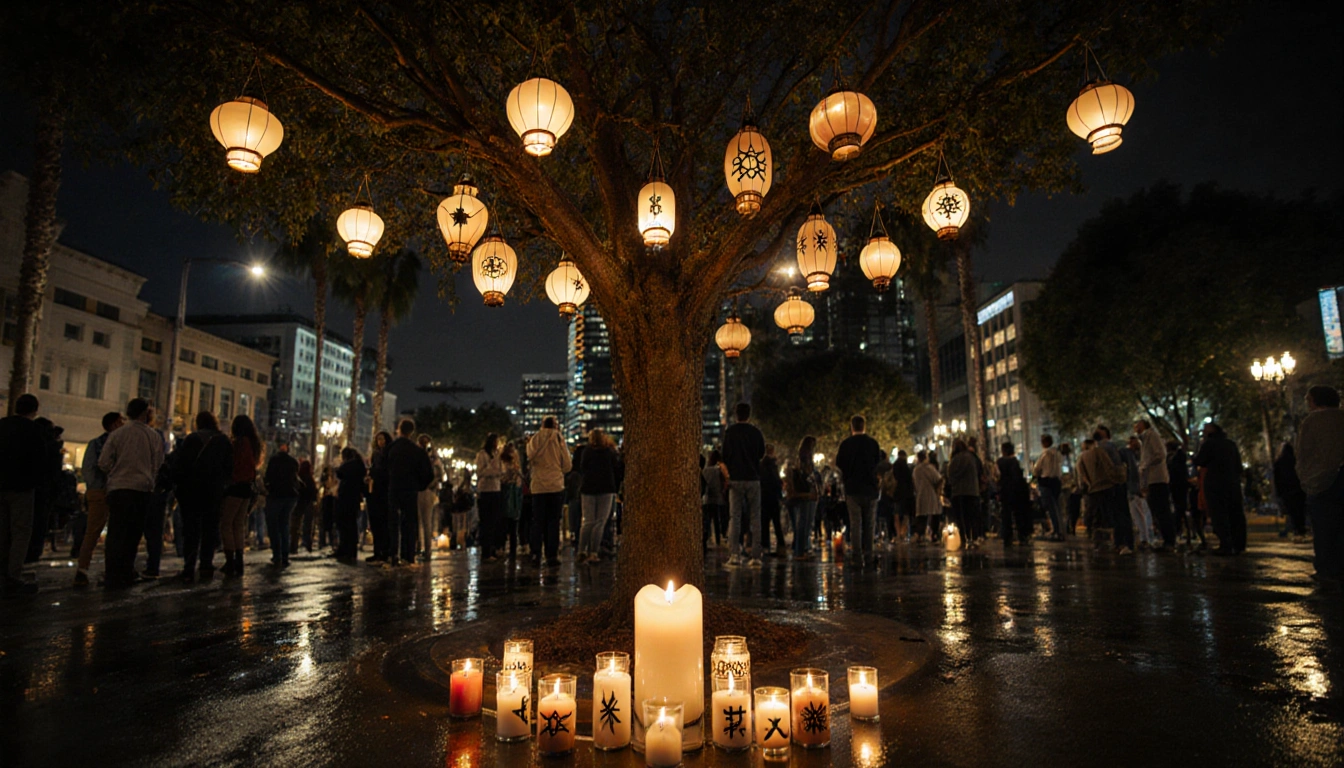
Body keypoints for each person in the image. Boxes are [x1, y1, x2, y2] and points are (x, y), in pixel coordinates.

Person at [97, 398, 164, 588]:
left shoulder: (117, 434)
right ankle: (126, 572)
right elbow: (158, 463)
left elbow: (103, 462)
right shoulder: (153, 436)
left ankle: (112, 573)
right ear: (144, 413)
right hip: (142, 489)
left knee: (116, 533)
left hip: (119, 488)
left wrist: (116, 470)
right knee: (133, 534)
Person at [167, 412, 231, 582]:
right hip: (213, 492)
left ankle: (189, 568)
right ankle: (206, 566)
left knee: (191, 530)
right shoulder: (223, 441)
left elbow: (180, 466)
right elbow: (228, 468)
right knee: (210, 529)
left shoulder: (192, 439)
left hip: (192, 491)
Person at [1296, 386, 1344, 583]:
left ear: (1316, 401)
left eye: (1309, 400)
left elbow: (1304, 452)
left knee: (1323, 527)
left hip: (1321, 480)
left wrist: (1305, 477)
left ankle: (1326, 569)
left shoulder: (1312, 421)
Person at [0, 394, 47, 595]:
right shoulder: (34, 430)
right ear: (34, 410)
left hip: (1, 485)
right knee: (20, 532)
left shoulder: (2, 425)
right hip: (22, 488)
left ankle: (2, 573)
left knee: (2, 531)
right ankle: (13, 575)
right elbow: (40, 461)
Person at [73, 412, 125, 585]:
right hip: (114, 490)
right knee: (115, 531)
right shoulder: (119, 443)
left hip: (97, 491)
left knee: (93, 531)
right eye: (121, 421)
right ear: (114, 424)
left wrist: (94, 487)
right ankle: (113, 569)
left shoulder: (95, 443)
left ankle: (83, 569)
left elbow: (87, 469)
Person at [722, 402, 766, 567]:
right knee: (755, 517)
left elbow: (725, 455)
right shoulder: (756, 432)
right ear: (749, 415)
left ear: (736, 414)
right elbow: (761, 454)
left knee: (735, 517)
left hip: (736, 479)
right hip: (753, 478)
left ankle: (734, 555)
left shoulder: (730, 433)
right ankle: (756, 556)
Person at [836, 415, 883, 566]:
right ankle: (868, 555)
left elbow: (839, 464)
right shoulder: (873, 444)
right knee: (869, 524)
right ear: (864, 426)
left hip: (852, 489)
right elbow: (878, 463)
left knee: (855, 524)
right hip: (870, 489)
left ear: (852, 427)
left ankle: (857, 557)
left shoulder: (845, 445)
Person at [218, 415, 262, 576]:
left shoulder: (239, 444)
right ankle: (239, 561)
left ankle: (230, 561)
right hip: (247, 489)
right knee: (238, 525)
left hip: (236, 487)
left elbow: (235, 465)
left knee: (226, 524)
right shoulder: (253, 444)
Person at [1193, 422, 1246, 556]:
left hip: (1215, 483)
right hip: (1232, 483)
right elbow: (1238, 466)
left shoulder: (1209, 444)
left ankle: (1226, 544)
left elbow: (1200, 461)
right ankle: (1239, 544)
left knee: (1219, 514)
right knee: (1235, 513)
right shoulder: (1231, 444)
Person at [387, 419, 434, 566]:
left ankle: (393, 553)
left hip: (393, 488)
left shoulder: (391, 448)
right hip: (410, 489)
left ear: (399, 429)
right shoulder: (417, 451)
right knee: (409, 522)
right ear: (412, 432)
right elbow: (429, 474)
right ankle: (408, 555)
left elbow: (383, 468)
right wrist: (419, 486)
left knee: (393, 521)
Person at [527, 416, 572, 566]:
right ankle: (551, 555)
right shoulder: (559, 438)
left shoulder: (535, 438)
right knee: (553, 521)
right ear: (555, 425)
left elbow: (529, 456)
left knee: (537, 521)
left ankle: (535, 553)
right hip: (555, 485)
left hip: (538, 486)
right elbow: (567, 464)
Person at [1077, 432, 1131, 554]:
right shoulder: (1099, 452)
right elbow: (1109, 467)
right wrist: (1118, 478)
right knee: (1110, 516)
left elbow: (1082, 475)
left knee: (1097, 518)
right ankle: (1115, 542)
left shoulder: (1081, 457)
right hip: (1106, 487)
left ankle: (1098, 543)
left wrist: (1089, 485)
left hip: (1093, 490)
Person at [577, 428, 621, 563]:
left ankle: (581, 550)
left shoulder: (587, 452)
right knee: (600, 522)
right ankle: (593, 552)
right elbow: (617, 469)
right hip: (606, 489)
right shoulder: (609, 452)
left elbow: (582, 468)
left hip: (588, 489)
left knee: (588, 521)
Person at [1134, 420, 1174, 549]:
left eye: (1138, 425)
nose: (1135, 427)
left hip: (1157, 479)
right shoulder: (1145, 439)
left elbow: (1160, 454)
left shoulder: (1151, 435)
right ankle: (1165, 539)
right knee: (1157, 511)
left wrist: (1145, 465)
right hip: (1152, 480)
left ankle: (1169, 541)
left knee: (1162, 511)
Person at [263, 440, 300, 568]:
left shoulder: (274, 460)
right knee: (284, 525)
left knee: (273, 526)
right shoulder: (293, 461)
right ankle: (285, 555)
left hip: (276, 495)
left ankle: (277, 554)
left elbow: (268, 477)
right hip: (290, 496)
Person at [785, 436, 820, 559]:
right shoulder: (806, 460)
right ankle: (800, 551)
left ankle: (802, 549)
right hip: (806, 493)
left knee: (803, 523)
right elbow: (809, 476)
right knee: (804, 523)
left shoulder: (800, 459)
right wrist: (815, 489)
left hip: (804, 494)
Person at [474, 432, 505, 563]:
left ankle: (493, 549)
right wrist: (492, 469)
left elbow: (502, 471)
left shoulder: (498, 455)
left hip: (496, 489)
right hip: (485, 490)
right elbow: (480, 472)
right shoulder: (482, 455)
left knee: (494, 521)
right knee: (486, 521)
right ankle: (485, 551)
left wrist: (497, 471)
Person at [1120, 436, 1155, 549]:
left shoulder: (1130, 455)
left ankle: (1144, 539)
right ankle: (1145, 538)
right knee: (1141, 514)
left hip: (1134, 489)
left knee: (1139, 514)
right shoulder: (1137, 456)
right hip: (1137, 489)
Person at [945, 439, 980, 549]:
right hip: (972, 491)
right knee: (972, 516)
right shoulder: (971, 457)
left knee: (961, 518)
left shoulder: (954, 460)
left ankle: (964, 539)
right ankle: (974, 538)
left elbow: (950, 476)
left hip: (958, 492)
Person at [997, 442, 1032, 545]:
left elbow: (997, 477)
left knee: (1006, 515)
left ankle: (1007, 537)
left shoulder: (999, 462)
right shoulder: (1015, 462)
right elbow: (1018, 478)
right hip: (1017, 492)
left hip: (1005, 491)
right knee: (1019, 514)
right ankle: (1022, 536)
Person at [334, 447, 366, 561]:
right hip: (354, 498)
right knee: (351, 524)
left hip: (346, 498)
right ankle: (350, 550)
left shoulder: (349, 466)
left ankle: (345, 549)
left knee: (345, 524)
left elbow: (339, 473)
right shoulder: (359, 466)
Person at [366, 431, 393, 564]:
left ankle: (384, 552)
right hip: (375, 491)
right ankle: (377, 552)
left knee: (383, 523)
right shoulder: (376, 454)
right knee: (375, 523)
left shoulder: (388, 454)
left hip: (383, 491)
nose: (380, 442)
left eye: (382, 439)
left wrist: (374, 473)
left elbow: (384, 471)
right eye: (378, 439)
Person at [418, 435, 445, 562]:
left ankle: (427, 550)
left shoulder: (434, 460)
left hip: (428, 491)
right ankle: (421, 548)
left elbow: (440, 476)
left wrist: (431, 485)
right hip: (420, 490)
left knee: (426, 522)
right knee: (421, 522)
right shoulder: (419, 456)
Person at [1033, 434, 1065, 540]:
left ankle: (1056, 530)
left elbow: (1036, 469)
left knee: (1050, 507)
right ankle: (1060, 530)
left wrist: (1035, 474)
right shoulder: (1057, 454)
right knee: (1057, 506)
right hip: (1056, 481)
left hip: (1046, 482)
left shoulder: (1045, 454)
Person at [1273, 443, 1308, 539]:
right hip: (1298, 490)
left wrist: (1278, 493)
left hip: (1286, 491)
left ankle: (1296, 530)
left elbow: (1277, 479)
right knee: (1300, 511)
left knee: (1292, 512)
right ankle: (1301, 530)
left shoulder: (1279, 462)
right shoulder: (1296, 461)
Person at [760, 444, 786, 556]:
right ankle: (781, 547)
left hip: (764, 497)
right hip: (773, 498)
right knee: (776, 523)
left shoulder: (761, 465)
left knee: (765, 523)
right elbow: (776, 481)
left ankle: (765, 546)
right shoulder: (772, 465)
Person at [913, 451, 944, 542]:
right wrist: (939, 491)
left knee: (922, 516)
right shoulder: (929, 468)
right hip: (931, 494)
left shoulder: (916, 470)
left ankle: (920, 534)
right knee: (934, 514)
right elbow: (938, 479)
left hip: (920, 494)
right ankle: (934, 534)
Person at [499, 442, 522, 559]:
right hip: (509, 493)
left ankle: (507, 548)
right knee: (509, 523)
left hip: (510, 494)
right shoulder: (505, 465)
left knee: (509, 524)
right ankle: (508, 548)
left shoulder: (511, 465)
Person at [702, 450, 729, 550]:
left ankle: (706, 539)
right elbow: (725, 482)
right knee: (717, 521)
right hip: (718, 499)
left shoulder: (705, 470)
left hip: (707, 499)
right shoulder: (719, 470)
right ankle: (718, 540)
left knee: (707, 520)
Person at [293, 459, 318, 553]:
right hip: (308, 503)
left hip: (299, 503)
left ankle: (294, 544)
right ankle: (307, 542)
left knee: (296, 524)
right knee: (307, 524)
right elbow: (313, 492)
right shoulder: (310, 479)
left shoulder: (299, 478)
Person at [892, 450, 916, 542]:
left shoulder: (894, 467)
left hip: (897, 493)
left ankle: (898, 534)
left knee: (897, 514)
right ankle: (903, 533)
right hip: (907, 494)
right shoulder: (907, 468)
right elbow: (911, 481)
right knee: (906, 514)